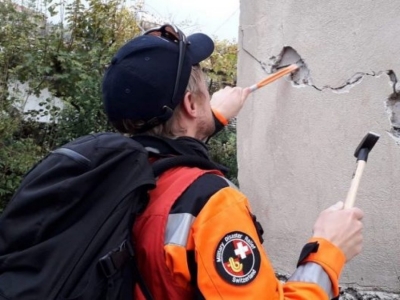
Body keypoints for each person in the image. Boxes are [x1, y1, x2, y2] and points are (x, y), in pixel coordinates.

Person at [102, 24, 364, 300]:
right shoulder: (211, 205)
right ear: (191, 105)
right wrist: (329, 251)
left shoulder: (112, 176)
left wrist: (207, 122)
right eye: (206, 88)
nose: (212, 94)